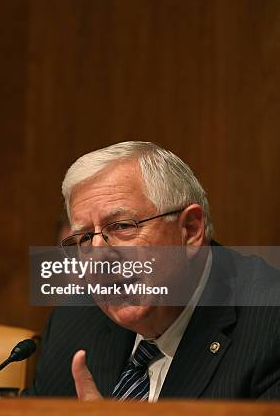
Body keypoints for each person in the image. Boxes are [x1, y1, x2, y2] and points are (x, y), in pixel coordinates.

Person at [26, 141, 280, 400]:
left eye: (122, 226)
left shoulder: (270, 326)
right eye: (85, 238)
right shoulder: (73, 322)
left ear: (190, 230)